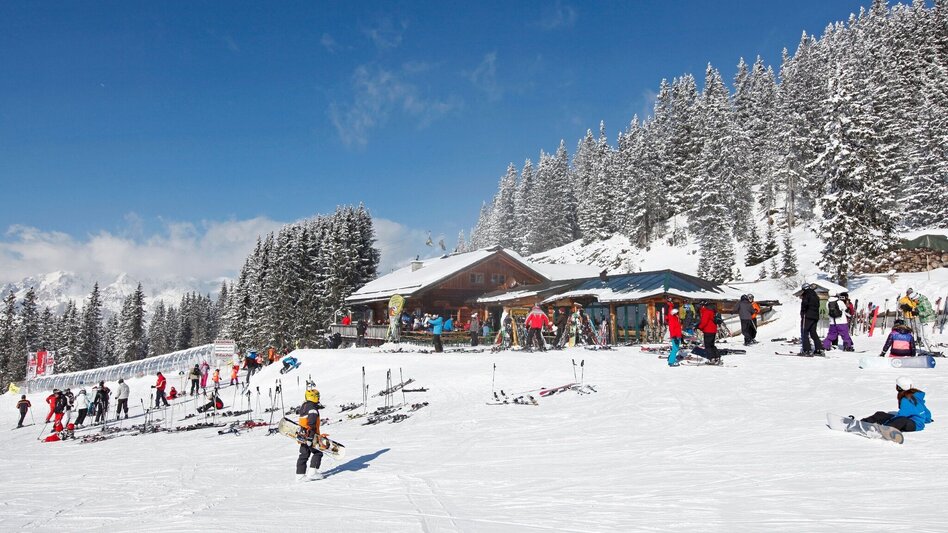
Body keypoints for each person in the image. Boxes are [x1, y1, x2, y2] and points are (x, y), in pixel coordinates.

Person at [859, 376, 932, 432]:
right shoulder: (916, 394)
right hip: (910, 420)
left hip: (915, 425)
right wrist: (928, 419)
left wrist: (884, 423)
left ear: (899, 387)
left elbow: (901, 416)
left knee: (900, 420)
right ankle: (862, 423)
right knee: (880, 414)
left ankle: (885, 430)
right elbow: (925, 410)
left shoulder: (906, 400)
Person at [296, 387, 324, 481]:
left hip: (302, 434)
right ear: (313, 397)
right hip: (310, 435)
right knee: (318, 452)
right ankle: (312, 473)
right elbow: (311, 424)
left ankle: (299, 476)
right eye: (317, 396)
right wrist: (311, 437)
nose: (319, 398)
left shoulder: (304, 406)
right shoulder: (312, 409)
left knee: (304, 454)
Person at [799, 283, 824, 356]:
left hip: (807, 316)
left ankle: (807, 350)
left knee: (804, 332)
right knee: (813, 333)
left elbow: (805, 304)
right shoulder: (815, 295)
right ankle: (819, 349)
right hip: (815, 316)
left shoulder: (806, 294)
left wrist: (803, 312)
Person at [697, 301, 721, 365]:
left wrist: (699, 327)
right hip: (713, 330)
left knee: (708, 346)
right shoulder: (713, 311)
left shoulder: (707, 312)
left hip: (708, 330)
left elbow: (704, 322)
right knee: (711, 345)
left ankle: (711, 358)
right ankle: (716, 356)